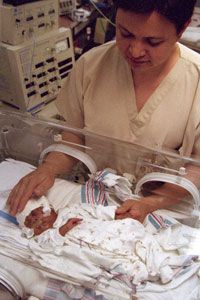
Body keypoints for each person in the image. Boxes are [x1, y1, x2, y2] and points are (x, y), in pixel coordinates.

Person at [8, 0, 200, 223]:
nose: (135, 51)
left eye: (153, 42)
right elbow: (74, 135)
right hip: (92, 198)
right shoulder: (91, 65)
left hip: (164, 207)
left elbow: (196, 166)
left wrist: (151, 202)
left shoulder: (195, 82)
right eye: (125, 34)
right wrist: (48, 169)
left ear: (183, 28)